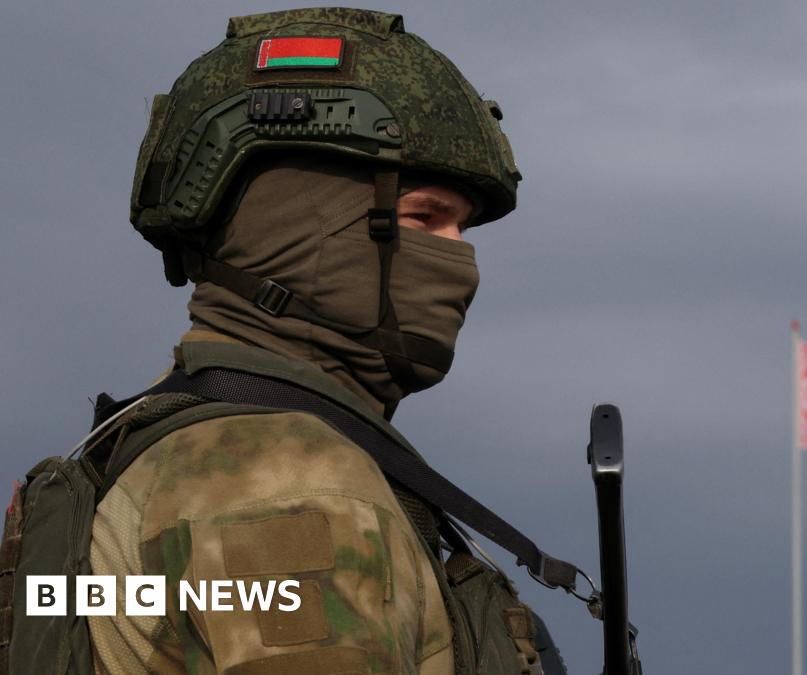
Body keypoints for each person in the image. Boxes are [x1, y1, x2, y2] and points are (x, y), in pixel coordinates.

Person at [83, 8, 553, 674]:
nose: (460, 259)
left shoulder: (155, 445)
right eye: (427, 218)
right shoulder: (289, 482)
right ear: (298, 228)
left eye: (463, 229)